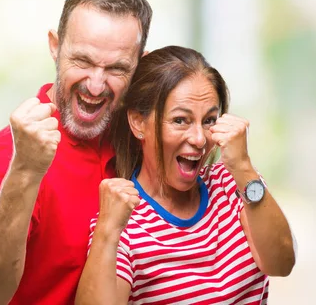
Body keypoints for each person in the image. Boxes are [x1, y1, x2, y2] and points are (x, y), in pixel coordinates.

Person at [0, 0, 152, 304]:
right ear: (55, 46)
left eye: (116, 68)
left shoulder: (137, 141)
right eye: (82, 61)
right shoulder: (11, 153)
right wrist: (25, 169)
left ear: (139, 65)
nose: (95, 84)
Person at [75, 46, 296, 304]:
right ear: (138, 122)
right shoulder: (124, 220)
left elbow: (282, 264)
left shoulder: (234, 182)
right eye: (181, 120)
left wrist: (244, 168)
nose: (200, 139)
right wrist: (107, 231)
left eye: (209, 120)